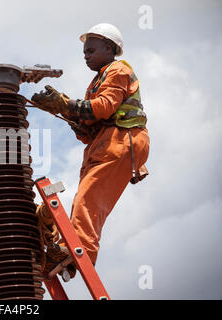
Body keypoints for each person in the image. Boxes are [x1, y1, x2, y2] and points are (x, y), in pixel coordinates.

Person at [32, 23, 150, 277]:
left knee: (88, 199)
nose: (86, 56)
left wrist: (66, 104)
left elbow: (104, 107)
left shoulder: (117, 70)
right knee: (85, 199)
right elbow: (88, 128)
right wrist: (63, 110)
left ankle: (77, 250)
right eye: (85, 52)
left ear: (110, 48)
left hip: (122, 140)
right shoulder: (97, 81)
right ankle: (69, 256)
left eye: (91, 50)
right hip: (107, 144)